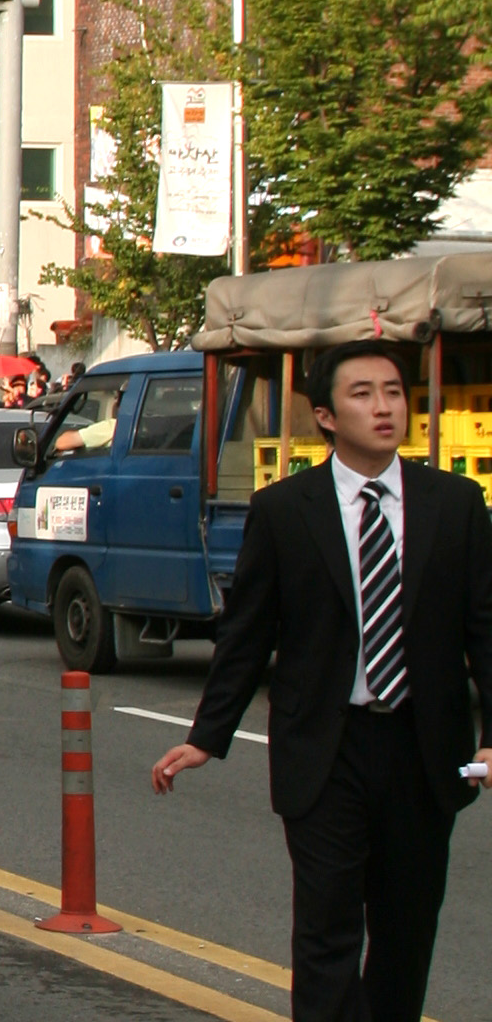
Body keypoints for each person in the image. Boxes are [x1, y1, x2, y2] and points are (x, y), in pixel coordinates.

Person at [154, 339, 492, 1022]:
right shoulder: (286, 510)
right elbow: (248, 633)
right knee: (327, 930)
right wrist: (207, 736)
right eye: (363, 393)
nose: (384, 407)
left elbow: (485, 628)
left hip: (423, 751)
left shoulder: (454, 504)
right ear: (326, 414)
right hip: (325, 750)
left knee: (406, 931)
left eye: (393, 391)